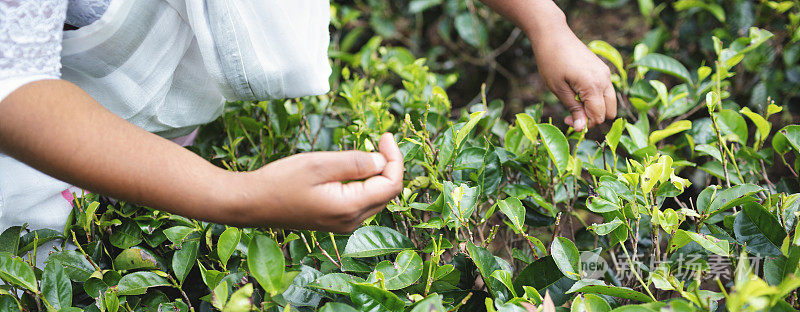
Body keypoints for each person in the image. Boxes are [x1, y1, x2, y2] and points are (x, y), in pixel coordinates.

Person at [0, 0, 615, 236]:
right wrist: (234, 196)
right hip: (31, 171)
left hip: (153, 113)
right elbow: (15, 88)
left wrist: (544, 21)